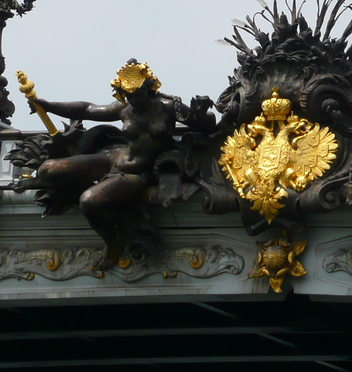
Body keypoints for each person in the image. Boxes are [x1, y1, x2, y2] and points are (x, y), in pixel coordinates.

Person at [17, 59, 213, 268]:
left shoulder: (168, 107)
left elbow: (208, 124)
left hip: (140, 173)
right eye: (128, 95)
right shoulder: (125, 107)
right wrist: (47, 105)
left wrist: (200, 114)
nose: (134, 100)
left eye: (137, 94)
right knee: (47, 170)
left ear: (149, 88)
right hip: (112, 157)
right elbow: (88, 110)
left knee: (90, 200)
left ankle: (113, 241)